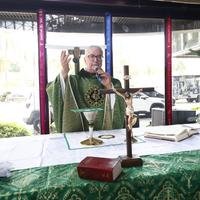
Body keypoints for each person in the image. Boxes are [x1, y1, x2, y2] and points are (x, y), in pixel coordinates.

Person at [47, 45, 125, 133]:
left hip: (105, 134)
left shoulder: (113, 82)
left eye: (99, 56)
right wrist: (64, 72)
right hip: (79, 133)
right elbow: (55, 90)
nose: (96, 60)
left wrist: (109, 87)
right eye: (92, 56)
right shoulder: (73, 81)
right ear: (85, 60)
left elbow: (119, 107)